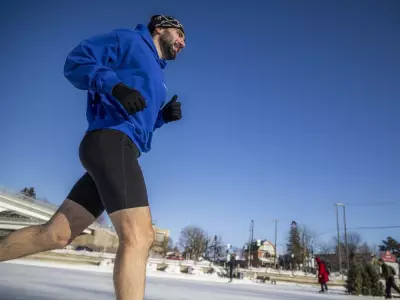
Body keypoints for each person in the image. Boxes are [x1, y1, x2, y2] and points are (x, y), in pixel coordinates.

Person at [0, 14, 186, 300]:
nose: (183, 43)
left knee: (56, 234)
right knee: (139, 236)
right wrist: (115, 86)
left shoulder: (158, 76)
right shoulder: (130, 41)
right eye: (180, 35)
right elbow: (77, 60)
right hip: (110, 142)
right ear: (160, 28)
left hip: (117, 147)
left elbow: (135, 119)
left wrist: (160, 118)